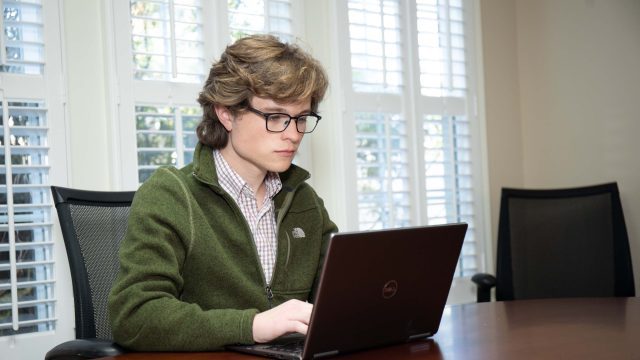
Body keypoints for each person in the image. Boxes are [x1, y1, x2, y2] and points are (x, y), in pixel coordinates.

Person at [108, 34, 338, 351]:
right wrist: (254, 326)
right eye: (275, 117)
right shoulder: (170, 195)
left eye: (301, 119)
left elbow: (338, 296)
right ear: (226, 113)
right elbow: (134, 316)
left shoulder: (304, 201)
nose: (293, 134)